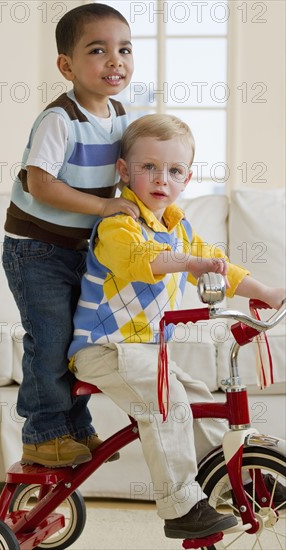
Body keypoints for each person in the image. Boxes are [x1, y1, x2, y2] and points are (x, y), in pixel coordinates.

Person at [68, 114, 286, 539]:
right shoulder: (119, 224)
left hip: (148, 352)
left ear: (186, 179)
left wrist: (266, 291)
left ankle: (229, 480)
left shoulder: (177, 226)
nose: (161, 179)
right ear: (124, 171)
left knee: (201, 397)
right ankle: (181, 505)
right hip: (104, 347)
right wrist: (193, 263)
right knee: (166, 403)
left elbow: (220, 265)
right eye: (148, 167)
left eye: (174, 170)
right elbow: (145, 260)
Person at [2, 3, 139, 468]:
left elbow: (126, 176)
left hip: (80, 249)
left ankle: (76, 428)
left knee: (78, 340)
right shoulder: (60, 119)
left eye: (123, 49)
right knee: (50, 337)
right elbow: (41, 182)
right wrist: (103, 206)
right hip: (35, 249)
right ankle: (43, 434)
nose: (114, 61)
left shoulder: (119, 115)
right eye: (98, 50)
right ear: (67, 66)